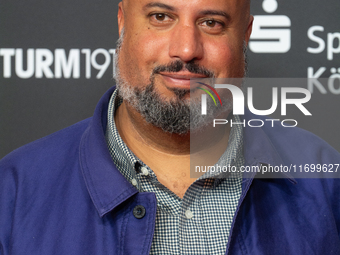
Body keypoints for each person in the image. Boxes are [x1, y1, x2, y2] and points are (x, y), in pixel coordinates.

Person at [1, 0, 340, 254]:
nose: (187, 49)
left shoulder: (325, 182)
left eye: (211, 23)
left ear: (245, 35)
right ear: (122, 21)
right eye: (161, 17)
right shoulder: (14, 192)